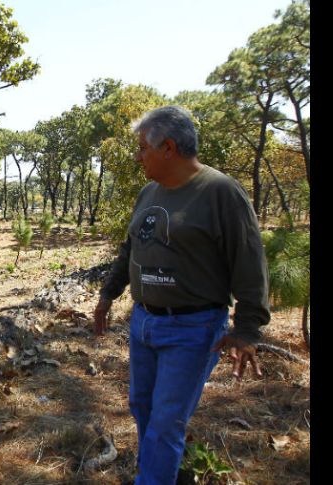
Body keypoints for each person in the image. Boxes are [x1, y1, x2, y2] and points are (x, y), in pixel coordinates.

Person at [93, 105, 270, 485]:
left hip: (193, 328)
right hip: (144, 323)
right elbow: (130, 250)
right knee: (143, 408)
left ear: (168, 147)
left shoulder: (220, 192)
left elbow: (249, 262)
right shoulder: (148, 193)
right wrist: (109, 294)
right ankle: (161, 472)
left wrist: (248, 328)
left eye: (143, 147)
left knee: (165, 421)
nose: (138, 156)